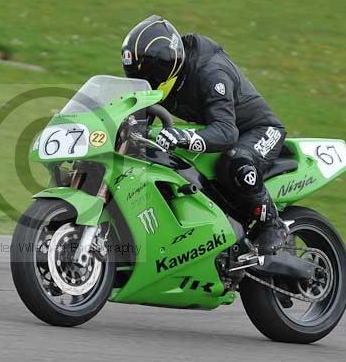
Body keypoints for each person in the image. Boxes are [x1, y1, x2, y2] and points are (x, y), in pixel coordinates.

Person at [121, 14, 287, 254]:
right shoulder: (161, 80)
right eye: (135, 77)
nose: (141, 82)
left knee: (235, 160)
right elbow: (138, 121)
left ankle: (271, 223)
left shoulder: (210, 72)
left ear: (163, 66)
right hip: (223, 128)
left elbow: (226, 131)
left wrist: (184, 137)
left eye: (145, 76)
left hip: (258, 130)